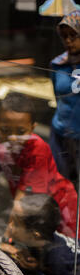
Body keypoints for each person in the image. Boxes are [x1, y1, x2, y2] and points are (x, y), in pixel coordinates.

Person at [0, 92, 79, 240]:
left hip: (60, 208)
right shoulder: (0, 143)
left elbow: (21, 201)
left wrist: (8, 238)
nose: (12, 138)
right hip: (29, 212)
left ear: (32, 128)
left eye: (21, 132)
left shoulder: (38, 150)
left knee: (62, 250)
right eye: (5, 130)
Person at [1, 194, 80, 275]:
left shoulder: (57, 260)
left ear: (35, 235)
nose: (10, 226)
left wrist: (40, 267)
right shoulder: (40, 239)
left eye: (15, 224)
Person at [50, 10, 80, 183]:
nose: (68, 41)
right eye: (64, 36)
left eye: (74, 35)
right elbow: (57, 95)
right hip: (60, 134)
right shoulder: (57, 64)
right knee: (61, 185)